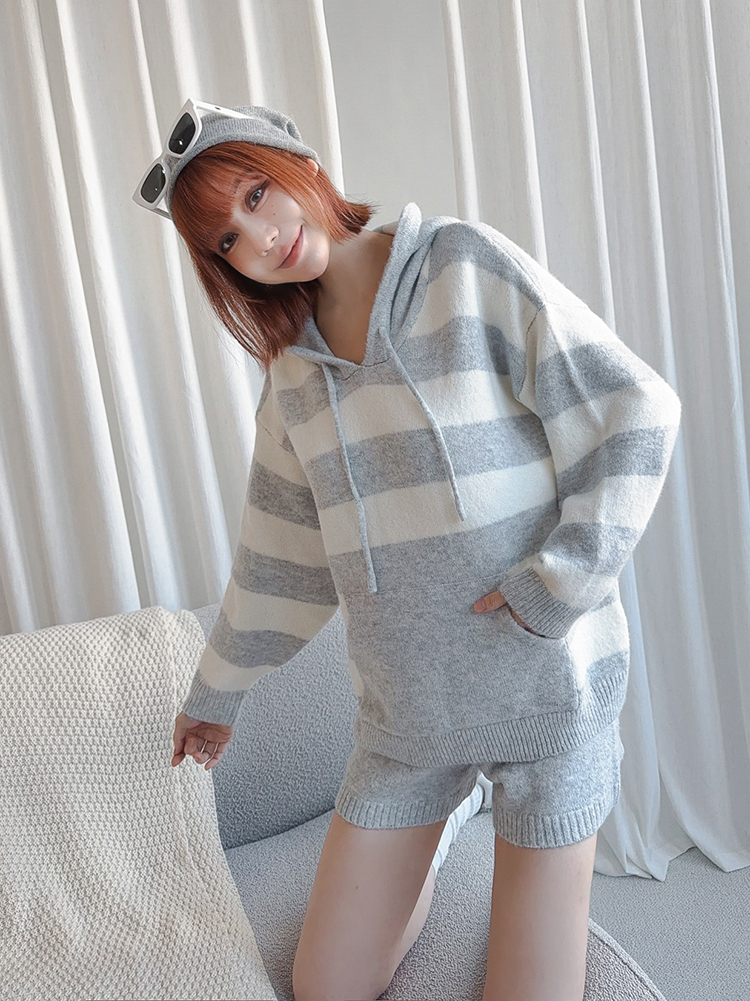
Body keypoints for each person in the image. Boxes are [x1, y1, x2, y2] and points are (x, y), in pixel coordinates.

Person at [134, 98, 681, 1001]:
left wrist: (561, 583)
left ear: (304, 166)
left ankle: (478, 811)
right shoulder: (292, 386)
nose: (261, 237)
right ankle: (446, 815)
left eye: (260, 194)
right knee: (325, 986)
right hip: (409, 721)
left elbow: (635, 408)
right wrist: (215, 695)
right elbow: (277, 564)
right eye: (228, 239)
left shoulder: (460, 267)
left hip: (546, 696)